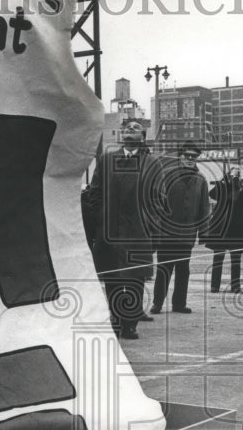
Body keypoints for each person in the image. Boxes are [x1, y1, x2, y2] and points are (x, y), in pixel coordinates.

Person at [85, 119, 164, 340]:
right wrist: (101, 219)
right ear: (121, 134)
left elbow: (158, 199)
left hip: (139, 232)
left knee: (135, 280)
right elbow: (94, 193)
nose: (130, 129)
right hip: (110, 233)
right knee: (113, 279)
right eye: (126, 127)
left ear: (143, 135)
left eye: (135, 127)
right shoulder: (107, 159)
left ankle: (130, 324)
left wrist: (152, 229)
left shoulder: (152, 163)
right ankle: (116, 320)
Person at [149, 143, 209, 315]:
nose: (190, 159)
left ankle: (179, 304)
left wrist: (204, 232)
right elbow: (156, 202)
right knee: (164, 269)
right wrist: (155, 228)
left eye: (193, 157)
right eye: (187, 156)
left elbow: (204, 208)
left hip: (187, 234)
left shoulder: (201, 179)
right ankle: (157, 303)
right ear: (181, 157)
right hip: (166, 233)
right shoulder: (167, 175)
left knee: (183, 269)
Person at [205, 166, 243, 293]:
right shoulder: (222, 188)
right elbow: (212, 193)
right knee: (218, 258)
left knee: (236, 259)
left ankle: (235, 286)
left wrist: (242, 184)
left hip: (236, 228)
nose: (234, 176)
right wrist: (223, 179)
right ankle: (214, 285)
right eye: (232, 174)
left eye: (237, 174)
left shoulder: (242, 189)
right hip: (221, 228)